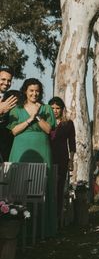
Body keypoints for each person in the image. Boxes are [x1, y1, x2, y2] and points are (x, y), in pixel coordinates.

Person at [7, 78, 57, 237]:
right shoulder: (17, 109)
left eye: (37, 91)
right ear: (25, 92)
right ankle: (17, 227)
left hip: (41, 149)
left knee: (42, 184)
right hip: (20, 148)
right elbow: (14, 131)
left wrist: (37, 116)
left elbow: (49, 129)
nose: (34, 93)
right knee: (18, 186)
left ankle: (42, 229)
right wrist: (29, 118)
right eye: (31, 91)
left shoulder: (47, 108)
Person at [48, 97, 76, 228]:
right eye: (52, 108)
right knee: (47, 187)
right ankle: (46, 217)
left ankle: (57, 219)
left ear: (62, 109)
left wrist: (71, 160)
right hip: (47, 156)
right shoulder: (45, 122)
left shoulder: (68, 123)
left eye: (57, 108)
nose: (55, 111)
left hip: (62, 158)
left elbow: (72, 143)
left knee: (59, 188)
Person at [0, 68, 17, 161]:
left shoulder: (11, 98)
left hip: (5, 149)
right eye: (3, 79)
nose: (6, 83)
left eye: (9, 80)